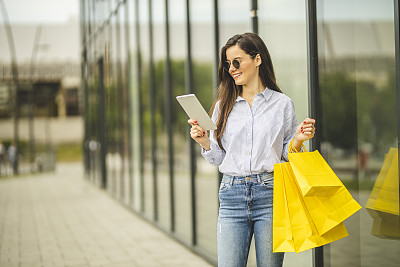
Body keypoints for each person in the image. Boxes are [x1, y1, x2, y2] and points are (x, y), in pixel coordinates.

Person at [188, 33, 315, 267]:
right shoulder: (222, 106)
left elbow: (286, 154)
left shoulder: (282, 104)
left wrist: (297, 140)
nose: (232, 69)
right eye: (228, 64)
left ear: (257, 60)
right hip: (231, 195)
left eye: (237, 61)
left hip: (270, 194)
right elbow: (218, 158)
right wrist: (205, 142)